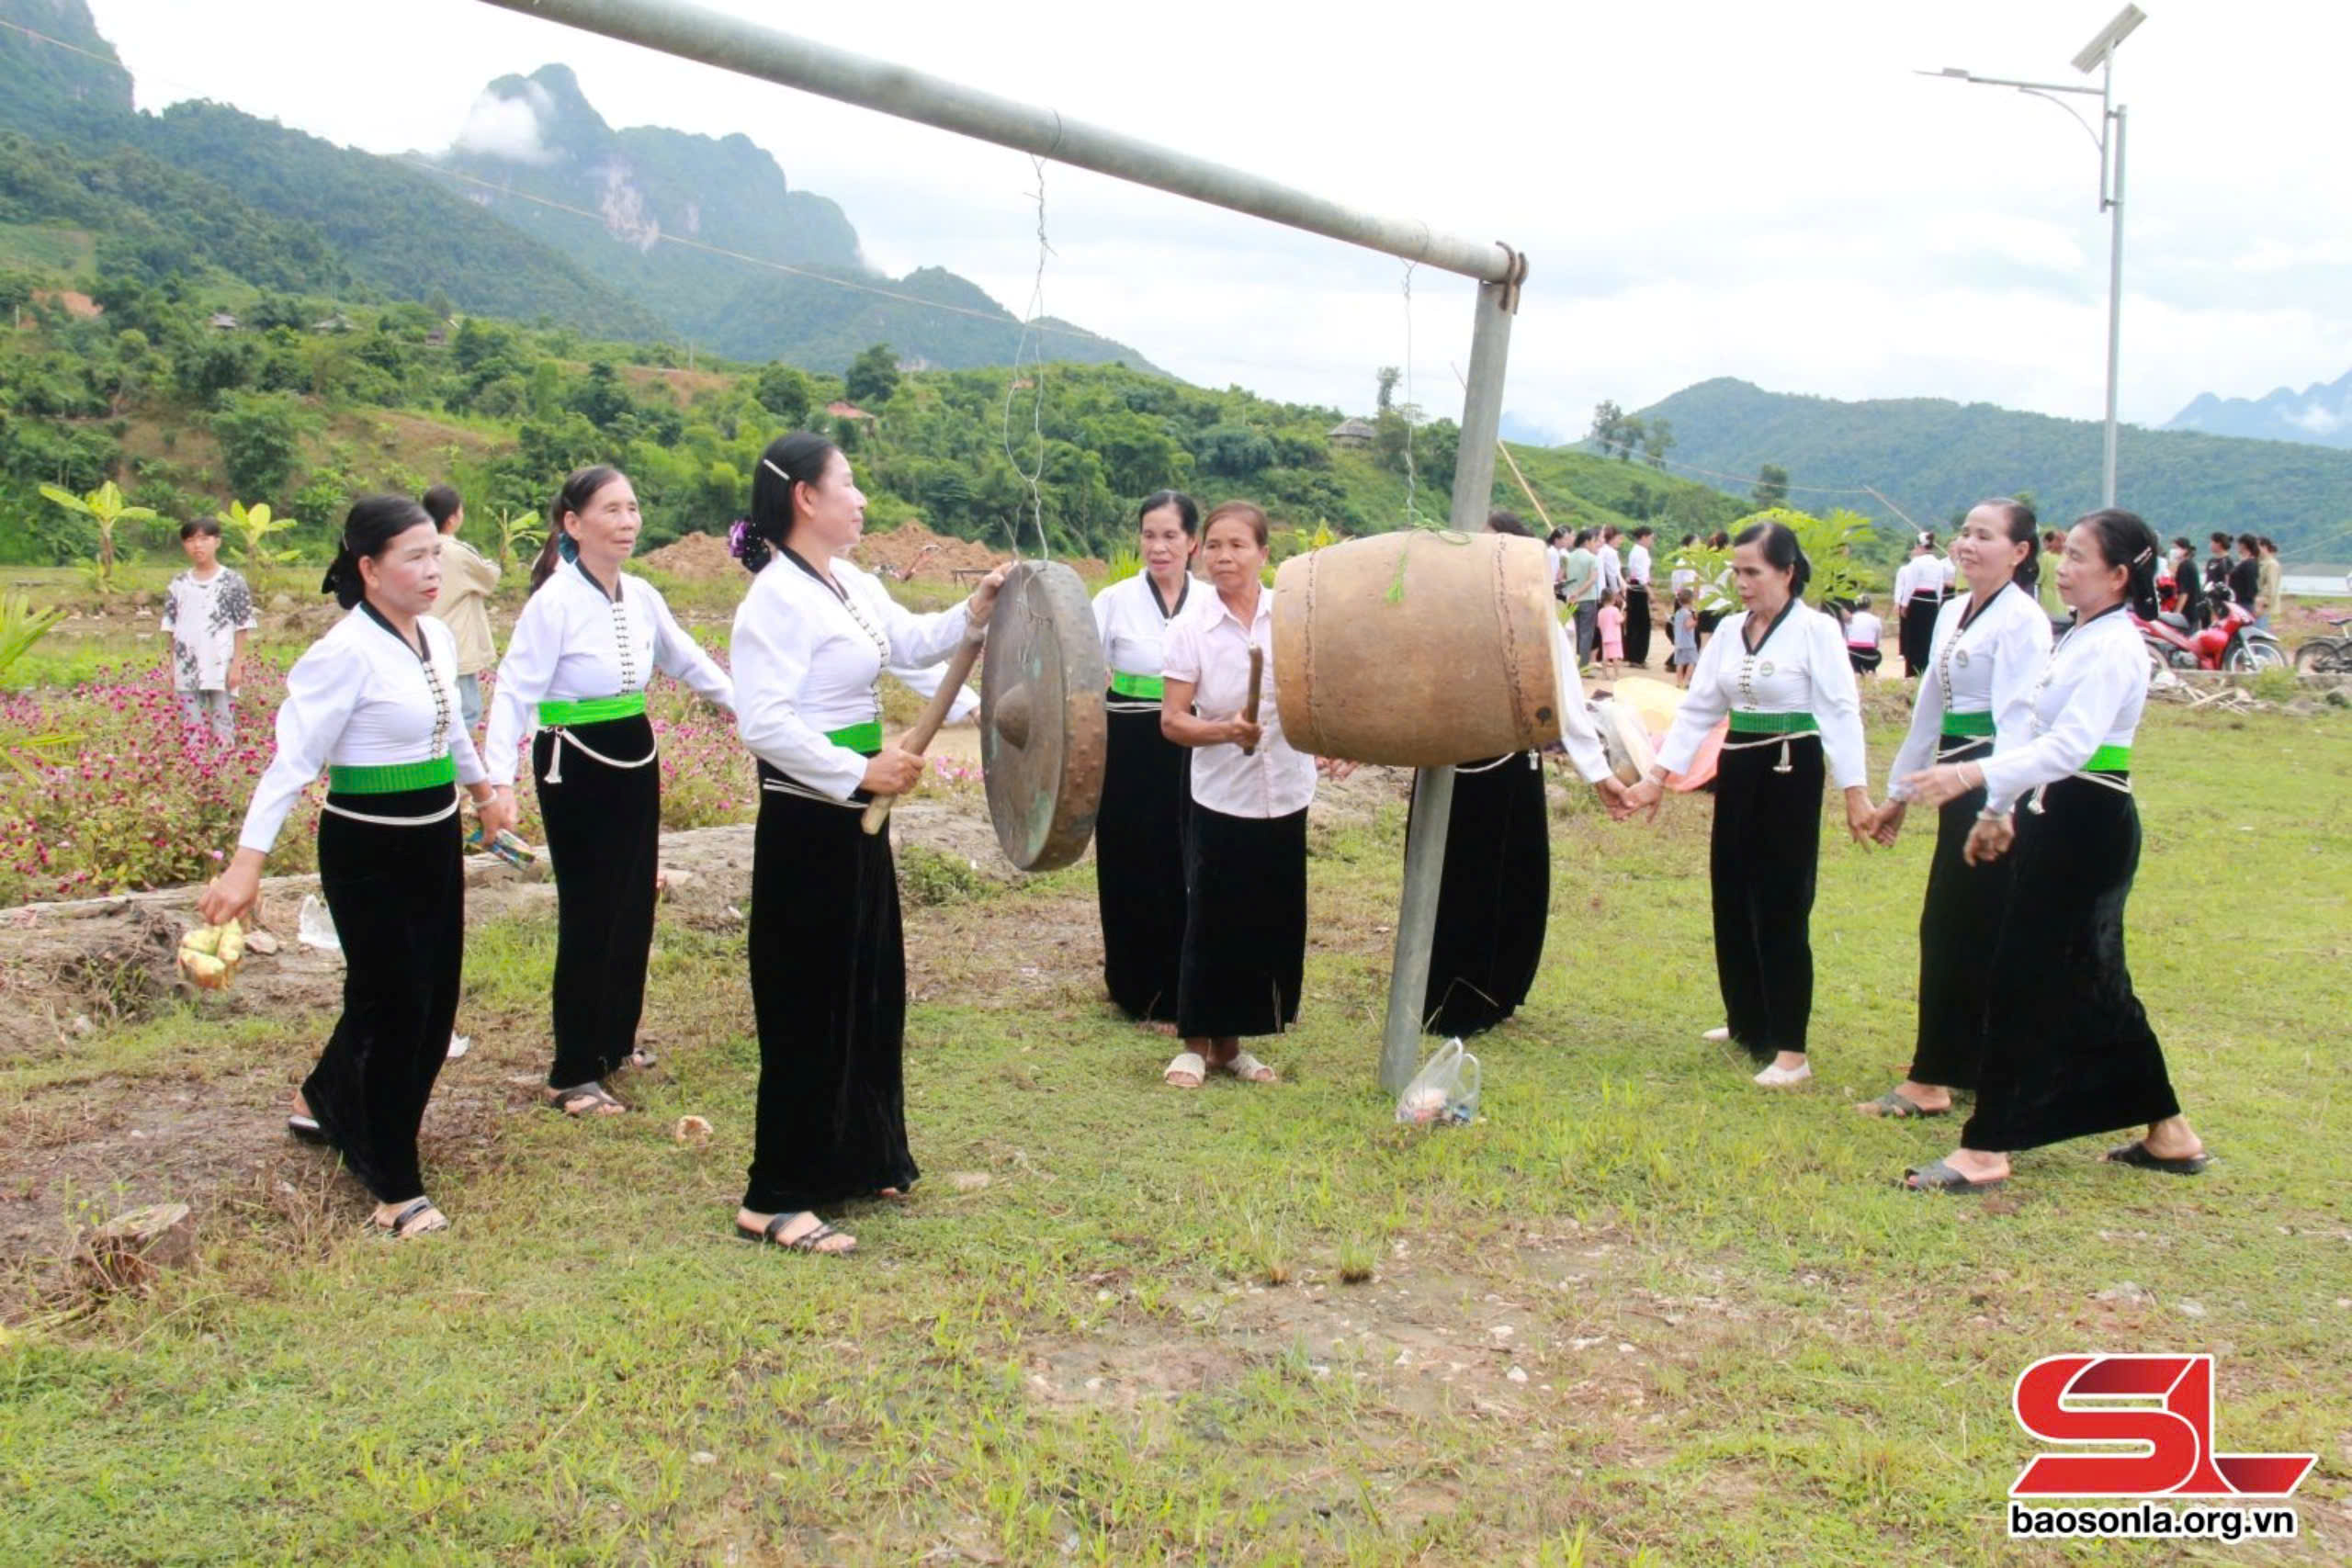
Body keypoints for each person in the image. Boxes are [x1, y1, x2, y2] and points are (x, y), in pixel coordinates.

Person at [198, 496, 508, 1240]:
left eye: (436, 553)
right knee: (397, 1007)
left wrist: (485, 793)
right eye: (414, 556)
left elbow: (451, 725)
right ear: (369, 569)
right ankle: (393, 1182)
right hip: (368, 845)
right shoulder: (341, 653)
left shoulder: (433, 634)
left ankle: (325, 1100)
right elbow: (290, 765)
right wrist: (247, 868)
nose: (433, 569)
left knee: (428, 1001)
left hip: (434, 835)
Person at [728, 434, 1009, 1255]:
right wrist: (860, 770)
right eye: (848, 483)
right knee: (806, 1002)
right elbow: (766, 722)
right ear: (805, 499)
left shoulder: (847, 581)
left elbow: (914, 642)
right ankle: (774, 1195)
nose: (861, 498)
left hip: (856, 811)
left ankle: (857, 1155)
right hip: (808, 815)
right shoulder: (773, 599)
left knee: (870, 986)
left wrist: (976, 611)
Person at [1896, 509, 2210, 1191]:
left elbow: (2071, 747)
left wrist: (1972, 775)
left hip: (2088, 822)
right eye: (2063, 554)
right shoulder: (2077, 638)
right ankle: (2170, 1131)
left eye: (2079, 557)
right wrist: (2001, 808)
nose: (2062, 566)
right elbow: (2031, 732)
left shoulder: (2115, 646)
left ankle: (1987, 1148)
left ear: (2120, 574)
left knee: (2021, 978)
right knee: (2096, 982)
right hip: (2057, 814)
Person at [481, 465, 735, 1118]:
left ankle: (616, 1044)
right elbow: (515, 688)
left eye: (633, 507)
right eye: (611, 510)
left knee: (634, 902)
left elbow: (684, 659)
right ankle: (572, 1070)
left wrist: (745, 707)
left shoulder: (642, 594)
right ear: (573, 523)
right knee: (590, 909)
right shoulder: (554, 601)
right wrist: (497, 781)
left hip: (634, 750)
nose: (627, 521)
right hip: (575, 760)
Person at [1623, 520, 1874, 1088]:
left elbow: (1839, 712)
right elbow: (1699, 709)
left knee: (1782, 897)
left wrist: (1854, 791)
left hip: (1791, 767)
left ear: (1787, 573)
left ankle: (1790, 1048)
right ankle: (1745, 1020)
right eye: (1737, 571)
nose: (1741, 582)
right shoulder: (1732, 629)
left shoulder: (1815, 631)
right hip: (1737, 765)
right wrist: (1657, 777)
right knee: (1731, 891)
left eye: (1753, 572)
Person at [1860, 499, 2052, 1119]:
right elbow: (1928, 716)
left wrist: (1999, 804)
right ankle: (1965, 1059)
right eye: (1965, 533)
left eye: (1985, 535)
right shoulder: (1949, 613)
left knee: (1959, 924)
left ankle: (1934, 1078)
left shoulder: (2023, 620)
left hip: (1991, 781)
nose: (1968, 544)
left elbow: (2020, 719)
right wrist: (1898, 797)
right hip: (1952, 778)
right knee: (1961, 925)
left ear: (2020, 552)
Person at [1157, 501, 1352, 1088]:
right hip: (1221, 797)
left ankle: (1233, 1047)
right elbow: (1172, 721)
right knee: (1211, 920)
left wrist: (1338, 739)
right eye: (1214, 545)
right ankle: (1193, 1044)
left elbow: (1322, 695)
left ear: (1264, 554)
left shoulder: (1292, 620)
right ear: (1201, 552)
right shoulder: (1189, 628)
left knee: (1266, 920)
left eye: (1238, 546)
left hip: (1287, 792)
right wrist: (1224, 731)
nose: (1224, 557)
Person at [1422, 512, 1629, 1037]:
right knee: (1448, 882)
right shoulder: (1443, 612)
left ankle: (1494, 993)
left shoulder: (1538, 618)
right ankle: (1441, 994)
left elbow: (1565, 700)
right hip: (1446, 764)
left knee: (1510, 883)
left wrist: (1597, 772)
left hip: (1511, 766)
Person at [1091, 490, 1201, 1026]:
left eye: (1170, 536)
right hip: (1129, 748)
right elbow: (1082, 673)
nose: (1158, 547)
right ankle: (1135, 988)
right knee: (1132, 858)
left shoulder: (1211, 603)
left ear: (1192, 542)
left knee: (1188, 861)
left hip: (1193, 745)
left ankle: (1187, 984)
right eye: (1149, 535)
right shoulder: (1112, 600)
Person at [161, 518, 256, 745]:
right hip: (187, 666)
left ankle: (224, 774)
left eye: (204, 539)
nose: (197, 546)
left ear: (217, 542)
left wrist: (237, 665)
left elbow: (242, 625)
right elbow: (171, 626)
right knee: (191, 726)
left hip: (220, 665)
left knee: (223, 724)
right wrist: (171, 664)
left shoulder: (233, 581)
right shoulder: (179, 583)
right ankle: (196, 774)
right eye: (191, 540)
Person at [423, 485, 500, 733]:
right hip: (457, 645)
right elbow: (488, 578)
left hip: (423, 642)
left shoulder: (417, 548)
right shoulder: (457, 552)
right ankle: (454, 769)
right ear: (453, 518)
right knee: (466, 713)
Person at [1894, 533, 1947, 678]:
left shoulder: (1916, 563)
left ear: (1919, 546)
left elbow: (1910, 585)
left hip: (1917, 600)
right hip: (1932, 602)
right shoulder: (1938, 563)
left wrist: (1904, 605)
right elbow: (1940, 586)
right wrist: (1939, 603)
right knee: (1929, 636)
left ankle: (1912, 671)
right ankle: (1926, 669)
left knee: (1914, 637)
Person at [1562, 527, 1602, 664]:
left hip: (1571, 600)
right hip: (1587, 599)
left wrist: (1572, 593)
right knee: (1586, 634)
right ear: (1587, 542)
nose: (1595, 544)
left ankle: (1574, 663)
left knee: (1576, 633)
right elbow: (1592, 580)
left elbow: (1562, 577)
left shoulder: (1568, 557)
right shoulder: (1592, 558)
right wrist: (1579, 592)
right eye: (1593, 541)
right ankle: (1583, 665)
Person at [1623, 525, 1656, 668]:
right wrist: (1650, 591)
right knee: (1643, 625)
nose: (1651, 542)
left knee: (1633, 623)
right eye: (1651, 538)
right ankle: (1638, 657)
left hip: (1633, 588)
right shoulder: (1642, 551)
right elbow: (1642, 576)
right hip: (1639, 589)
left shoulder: (1634, 550)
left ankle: (1632, 655)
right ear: (1644, 537)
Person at [2037, 529, 2071, 630]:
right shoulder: (2067, 557)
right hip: (2063, 599)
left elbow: (2039, 578)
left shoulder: (2046, 557)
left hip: (2048, 598)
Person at [1843, 595, 1883, 675]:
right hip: (1869, 655)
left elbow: (1846, 639)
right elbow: (1877, 642)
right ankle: (1870, 672)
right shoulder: (1876, 620)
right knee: (1877, 655)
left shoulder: (1850, 619)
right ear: (1869, 606)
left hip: (1852, 654)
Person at [2229, 533, 2263, 626]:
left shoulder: (2250, 563)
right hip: (2238, 601)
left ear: (2243, 545)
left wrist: (2252, 600)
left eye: (2239, 544)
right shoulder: (2245, 562)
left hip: (2244, 602)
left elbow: (2252, 585)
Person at [1668, 587, 1699, 687]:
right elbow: (1688, 626)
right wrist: (1696, 621)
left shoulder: (1677, 613)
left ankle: (1679, 681)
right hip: (1688, 643)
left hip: (1679, 642)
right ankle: (1686, 680)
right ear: (1691, 600)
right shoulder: (1688, 613)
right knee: (1692, 661)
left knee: (1680, 663)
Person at [1596, 589, 1626, 680]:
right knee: (1615, 657)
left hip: (1605, 637)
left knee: (1605, 657)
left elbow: (1598, 625)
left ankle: (1604, 675)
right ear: (1613, 599)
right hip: (1615, 637)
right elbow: (1620, 620)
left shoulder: (1600, 611)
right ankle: (1616, 675)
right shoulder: (1615, 610)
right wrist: (1623, 612)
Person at [2256, 536, 2283, 631]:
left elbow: (2271, 587)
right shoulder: (2260, 563)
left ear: (2264, 547)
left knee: (2260, 635)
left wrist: (2263, 603)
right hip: (2258, 606)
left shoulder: (2271, 564)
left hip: (2263, 608)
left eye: (2256, 546)